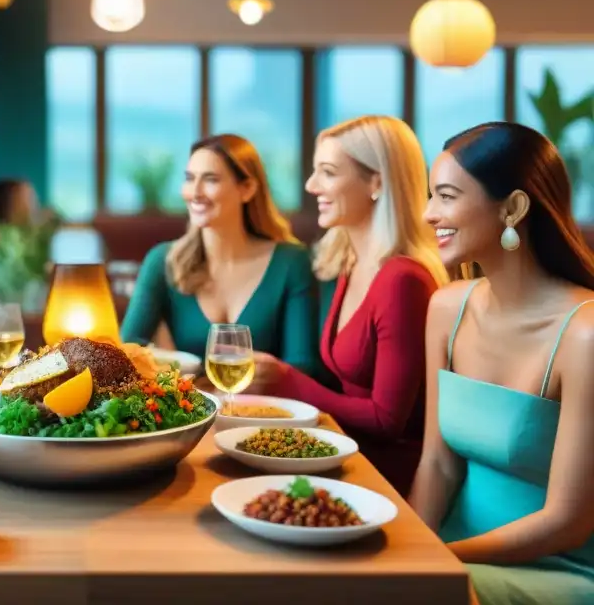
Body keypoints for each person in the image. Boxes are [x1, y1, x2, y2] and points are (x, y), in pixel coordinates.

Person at [409, 122, 594, 604]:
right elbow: (437, 464)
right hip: (450, 553)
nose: (429, 214)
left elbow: (567, 522)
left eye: (446, 196)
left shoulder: (585, 333)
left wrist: (438, 560)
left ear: (512, 208)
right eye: (431, 196)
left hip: (557, 570)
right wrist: (407, 554)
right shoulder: (446, 307)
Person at [252, 115, 447, 497]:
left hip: (385, 481)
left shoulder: (402, 280)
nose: (311, 186)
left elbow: (387, 420)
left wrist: (287, 380)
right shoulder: (351, 261)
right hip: (345, 455)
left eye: (327, 172)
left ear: (377, 181)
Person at [120, 134, 320, 376]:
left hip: (266, 410)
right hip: (192, 409)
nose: (195, 192)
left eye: (210, 179)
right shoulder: (162, 261)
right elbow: (129, 352)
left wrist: (275, 372)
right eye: (189, 178)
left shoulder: (291, 261)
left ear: (247, 189)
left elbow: (304, 367)